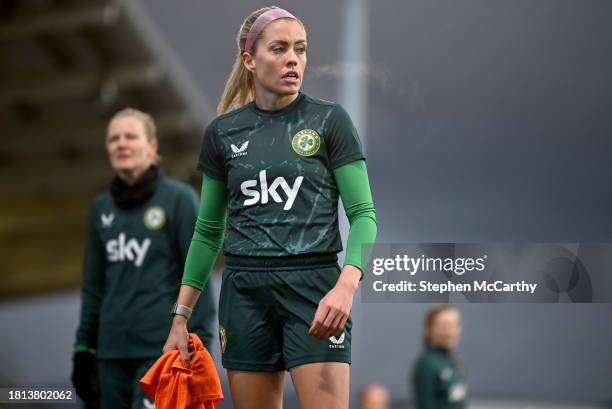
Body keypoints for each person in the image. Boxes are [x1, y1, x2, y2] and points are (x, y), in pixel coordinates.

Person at [162, 6, 377, 409]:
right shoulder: (223, 134)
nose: (293, 59)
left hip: (314, 288)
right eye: (279, 49)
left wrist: (346, 286)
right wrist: (180, 317)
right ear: (249, 59)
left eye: (300, 49)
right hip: (244, 291)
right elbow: (208, 232)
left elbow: (364, 215)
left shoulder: (330, 121)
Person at [72, 108, 216, 409]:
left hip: (161, 350)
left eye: (130, 136)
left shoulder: (179, 199)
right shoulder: (100, 209)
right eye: (114, 139)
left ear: (151, 147)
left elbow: (197, 275)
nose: (121, 144)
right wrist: (83, 349)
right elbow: (93, 286)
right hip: (110, 353)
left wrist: (199, 341)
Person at [412, 305, 468, 409]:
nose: (449, 332)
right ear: (429, 329)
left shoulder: (451, 361)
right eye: (443, 326)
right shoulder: (427, 364)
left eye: (454, 325)